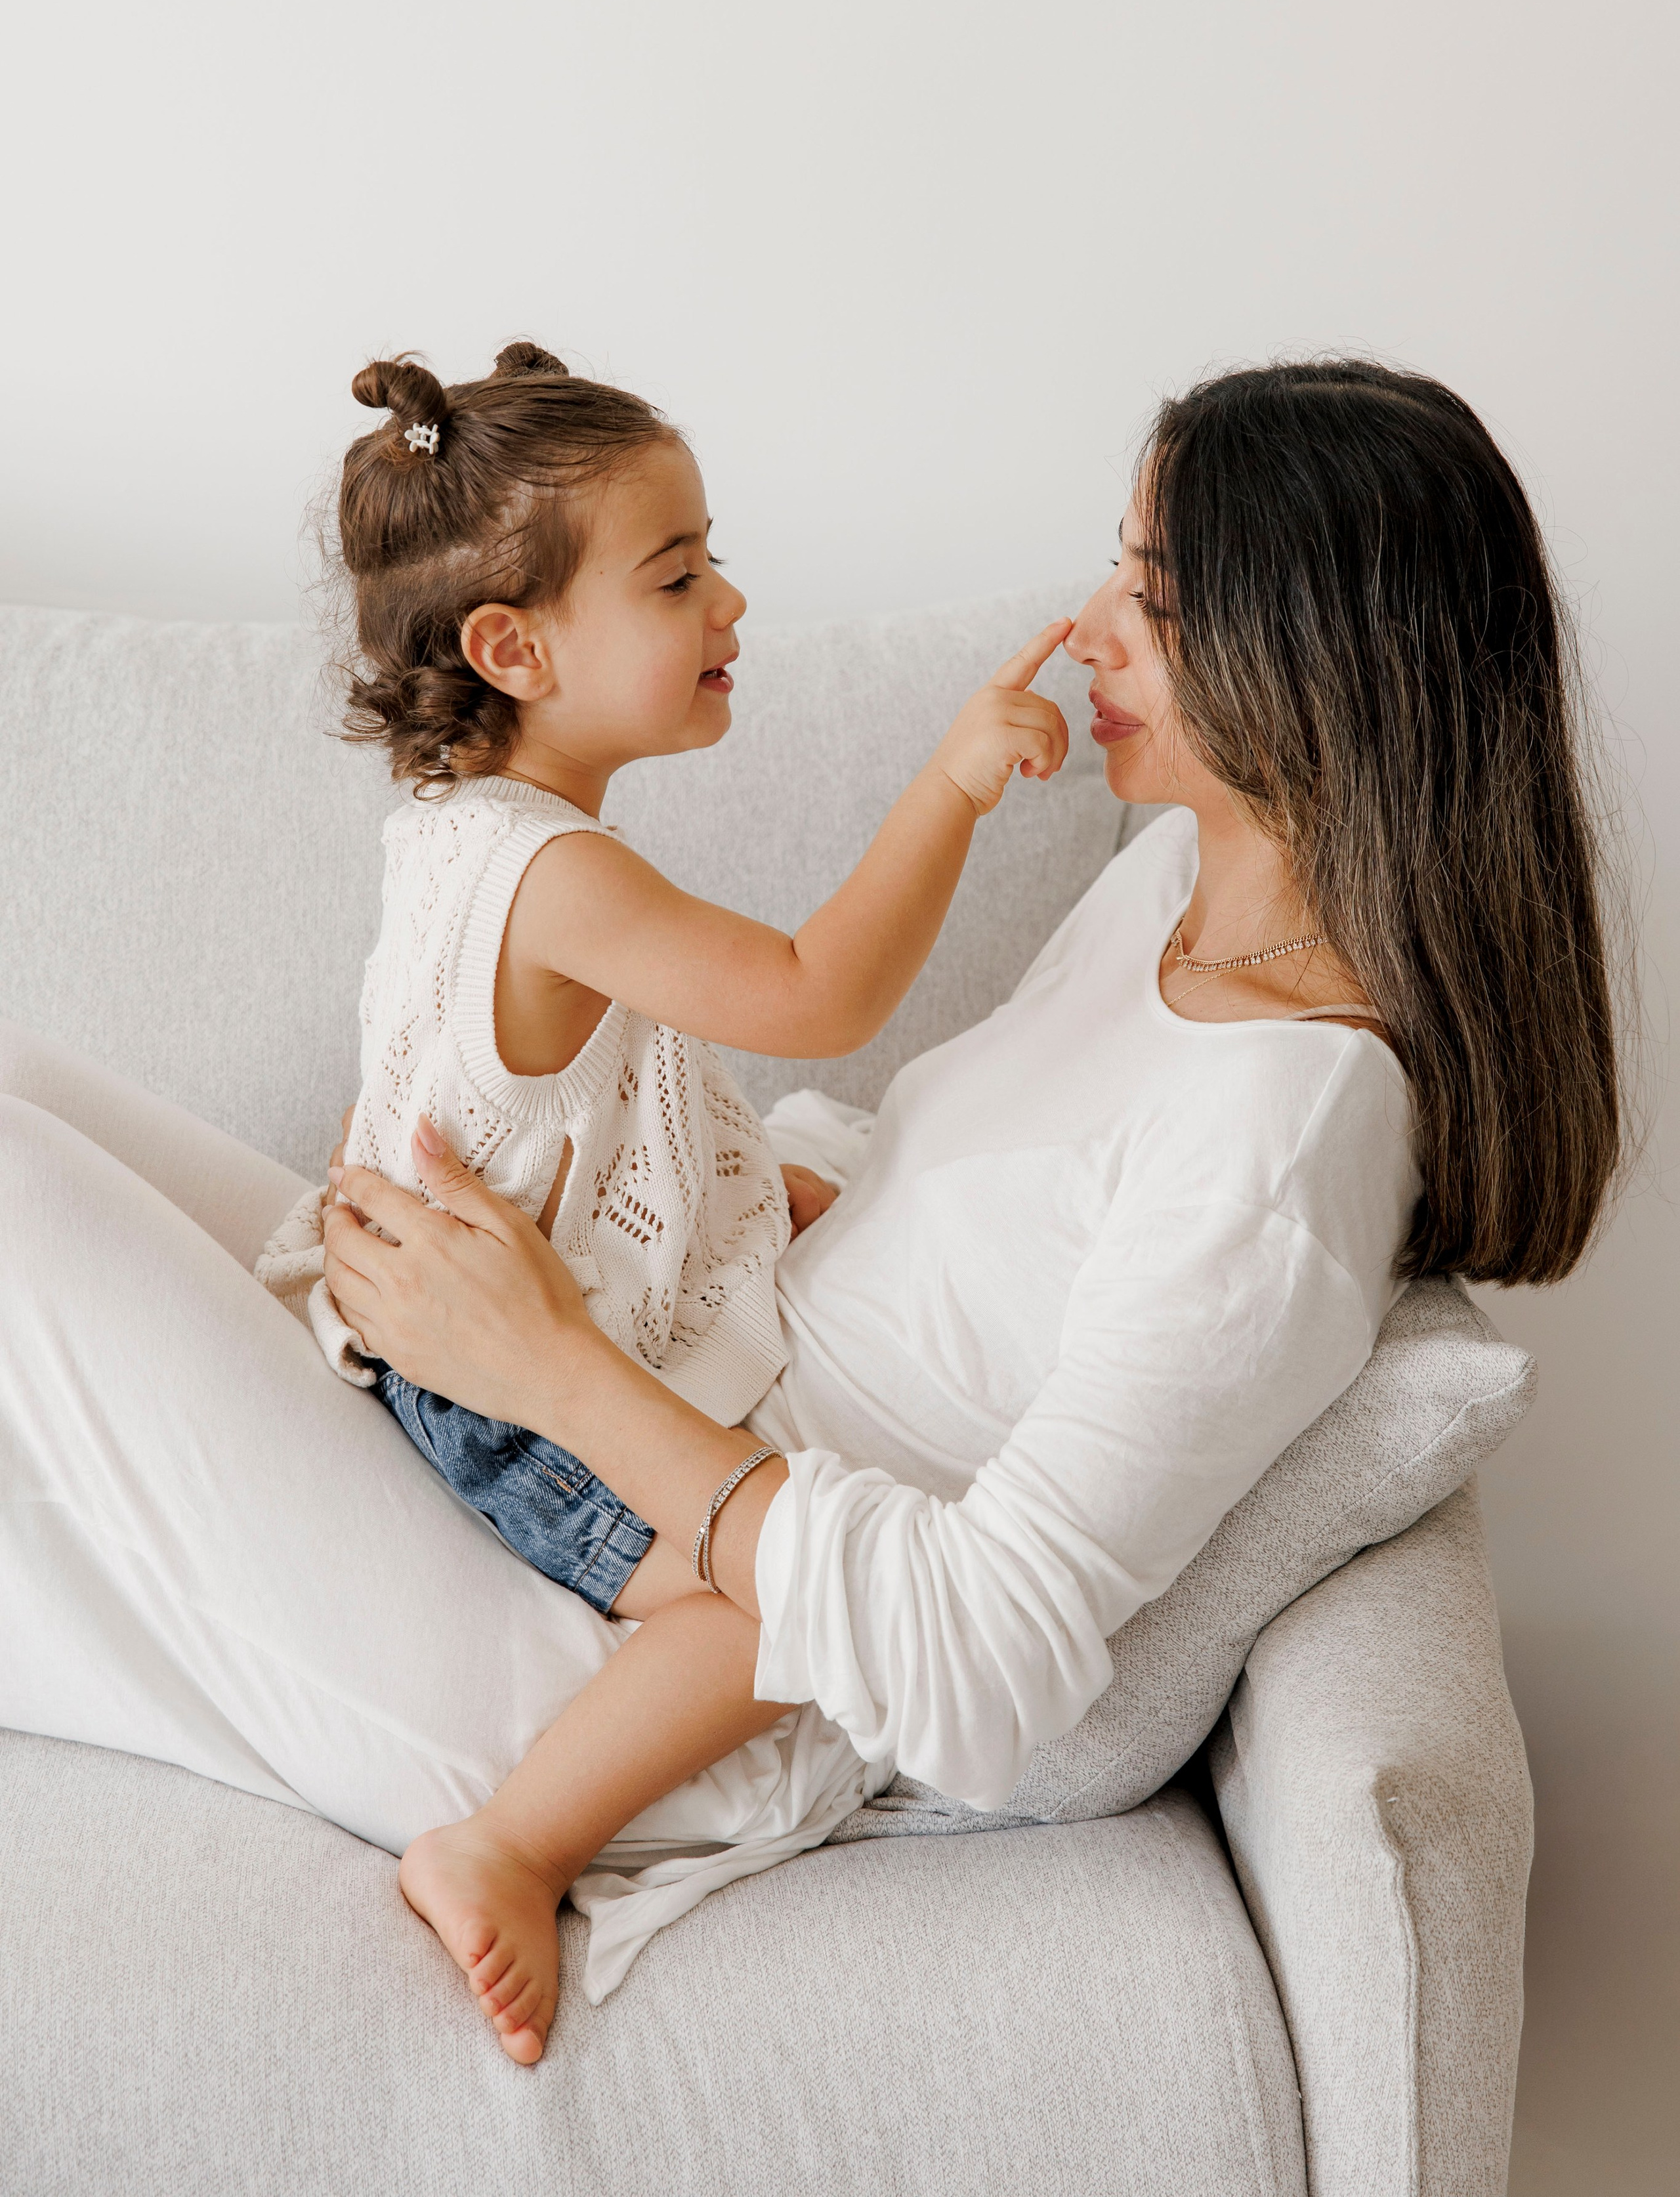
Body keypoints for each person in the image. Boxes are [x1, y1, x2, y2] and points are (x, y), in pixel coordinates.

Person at [0, 361, 1624, 2068]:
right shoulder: (1180, 886)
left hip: (642, 1644)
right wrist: (712, 1196)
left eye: (1149, 593)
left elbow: (990, 1652)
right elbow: (932, 1154)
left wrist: (553, 1370)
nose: (1087, 630)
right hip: (655, 1362)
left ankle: (512, 1835)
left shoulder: (1288, 1141)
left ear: (1319, 648)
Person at [257, 337, 1072, 2062]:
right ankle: (510, 1846)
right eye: (680, 573)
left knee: (808, 1161)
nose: (731, 601)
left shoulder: (462, 828)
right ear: (515, 648)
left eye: (716, 557)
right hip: (503, 1393)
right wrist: (953, 784)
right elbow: (811, 994)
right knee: (782, 1609)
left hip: (483, 1293)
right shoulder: (559, 874)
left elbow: (482, 1073)